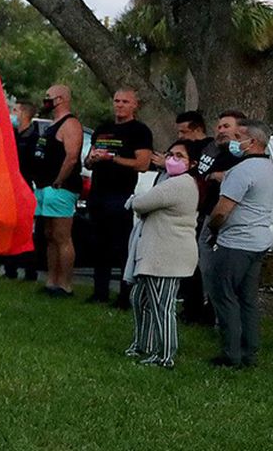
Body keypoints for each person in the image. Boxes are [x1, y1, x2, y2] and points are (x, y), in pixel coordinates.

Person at [202, 118, 273, 368]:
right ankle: (249, 351)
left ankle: (231, 353)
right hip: (258, 241)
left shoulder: (242, 171)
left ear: (252, 142)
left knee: (224, 297)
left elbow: (222, 211)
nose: (233, 143)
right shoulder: (270, 168)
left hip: (236, 242)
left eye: (238, 138)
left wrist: (213, 230)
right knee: (247, 299)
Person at [123, 141, 201, 367]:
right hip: (155, 253)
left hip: (168, 256)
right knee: (140, 299)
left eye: (180, 156)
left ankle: (165, 355)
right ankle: (143, 344)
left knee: (162, 306)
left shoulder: (180, 184)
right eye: (170, 154)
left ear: (192, 163)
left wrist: (134, 201)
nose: (172, 159)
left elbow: (142, 203)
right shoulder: (170, 181)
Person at [84, 87, 155, 307]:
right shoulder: (103, 129)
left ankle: (125, 295)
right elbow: (87, 161)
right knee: (98, 244)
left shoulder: (139, 131)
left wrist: (112, 159)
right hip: (98, 192)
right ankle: (99, 292)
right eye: (117, 101)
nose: (120, 105)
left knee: (121, 246)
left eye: (125, 101)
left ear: (135, 105)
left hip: (120, 194)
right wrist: (94, 159)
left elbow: (142, 164)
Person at [183, 109, 244, 325]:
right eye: (219, 126)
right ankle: (194, 310)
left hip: (224, 216)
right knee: (200, 264)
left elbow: (242, 178)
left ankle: (215, 314)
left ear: (240, 129)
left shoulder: (241, 155)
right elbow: (201, 173)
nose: (221, 130)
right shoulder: (213, 149)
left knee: (217, 268)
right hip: (204, 211)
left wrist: (221, 175)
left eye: (226, 126)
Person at [33, 84, 85, 297]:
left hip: (61, 187)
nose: (46, 101)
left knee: (62, 236)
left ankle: (65, 284)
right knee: (50, 234)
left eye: (49, 97)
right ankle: (52, 281)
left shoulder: (70, 124)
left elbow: (71, 156)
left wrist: (58, 180)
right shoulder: (52, 125)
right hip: (45, 187)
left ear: (61, 99)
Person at [4, 99, 47, 281]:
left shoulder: (35, 138)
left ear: (23, 114)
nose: (12, 114)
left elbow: (35, 164)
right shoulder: (12, 135)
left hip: (26, 187)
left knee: (26, 230)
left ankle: (30, 270)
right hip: (10, 186)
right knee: (9, 228)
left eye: (15, 110)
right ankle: (10, 269)